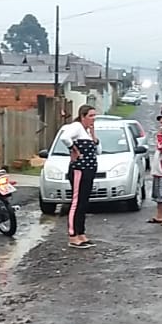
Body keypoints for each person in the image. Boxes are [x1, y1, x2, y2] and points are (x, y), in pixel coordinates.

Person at [59, 105, 99, 249]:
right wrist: (73, 149)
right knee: (76, 201)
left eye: (95, 116)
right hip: (79, 170)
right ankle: (73, 235)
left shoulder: (86, 132)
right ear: (82, 116)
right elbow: (64, 137)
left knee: (84, 203)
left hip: (89, 170)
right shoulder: (76, 126)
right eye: (90, 116)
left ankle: (81, 233)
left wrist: (93, 135)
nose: (93, 119)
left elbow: (98, 150)